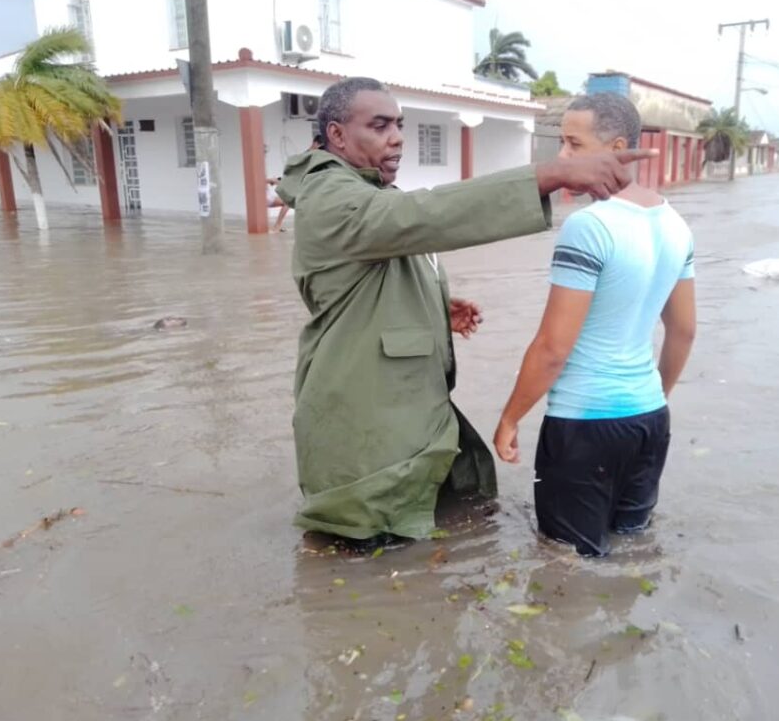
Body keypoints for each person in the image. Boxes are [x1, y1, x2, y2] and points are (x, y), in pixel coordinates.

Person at [275, 77, 656, 545]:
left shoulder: (364, 189)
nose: (397, 138)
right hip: (365, 431)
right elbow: (419, 217)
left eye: (399, 125)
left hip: (395, 419)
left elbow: (371, 266)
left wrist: (432, 306)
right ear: (336, 134)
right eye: (379, 126)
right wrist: (550, 175)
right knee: (366, 556)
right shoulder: (329, 193)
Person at [492, 92, 697, 557]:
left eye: (574, 144)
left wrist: (509, 418)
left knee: (566, 566)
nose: (563, 157)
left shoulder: (588, 226)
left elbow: (553, 347)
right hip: (649, 419)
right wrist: (652, 400)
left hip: (584, 425)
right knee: (633, 554)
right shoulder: (676, 225)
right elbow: (684, 331)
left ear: (618, 148)